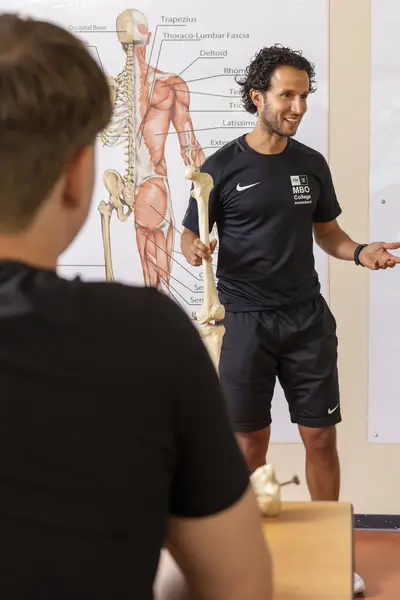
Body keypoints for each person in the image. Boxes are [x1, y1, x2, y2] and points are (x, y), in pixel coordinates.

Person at [0, 13, 273, 600]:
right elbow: (238, 584)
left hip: (153, 187)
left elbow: (189, 148)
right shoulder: (145, 336)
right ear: (77, 176)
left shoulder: (169, 87)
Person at [181, 44, 400, 596]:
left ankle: (334, 554)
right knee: (247, 448)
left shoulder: (310, 164)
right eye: (287, 95)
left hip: (306, 321)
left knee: (320, 438)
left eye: (303, 96)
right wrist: (194, 248)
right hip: (243, 323)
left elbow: (328, 233)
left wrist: (360, 252)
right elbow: (189, 233)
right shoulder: (221, 167)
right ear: (258, 97)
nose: (297, 107)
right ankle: (241, 559)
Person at [99, 8, 205, 293]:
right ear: (148, 36)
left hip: (135, 190)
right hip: (152, 187)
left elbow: (106, 137)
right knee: (160, 287)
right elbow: (191, 151)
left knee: (152, 284)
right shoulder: (169, 85)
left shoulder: (114, 88)